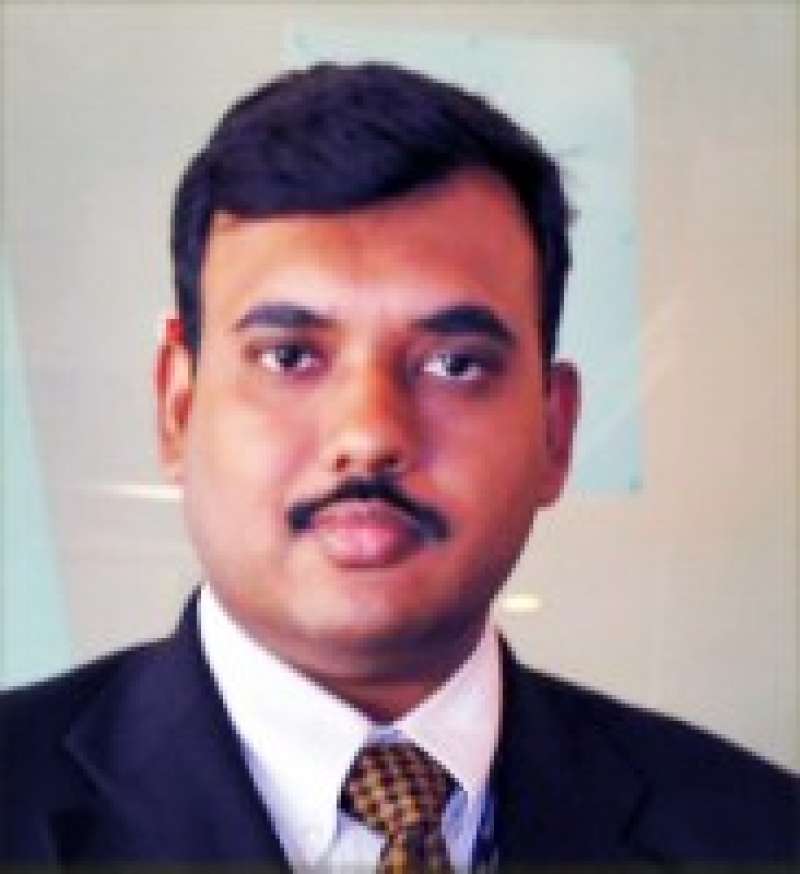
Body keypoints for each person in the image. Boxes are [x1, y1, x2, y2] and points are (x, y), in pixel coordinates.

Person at [1, 62, 796, 869]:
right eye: (289, 356)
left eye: (455, 364)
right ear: (178, 406)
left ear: (555, 431)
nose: (370, 433)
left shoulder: (762, 837)